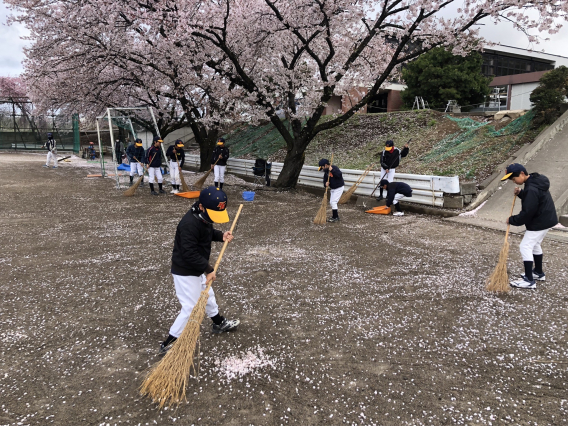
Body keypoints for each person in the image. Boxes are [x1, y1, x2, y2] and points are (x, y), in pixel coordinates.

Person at [159, 186, 240, 355]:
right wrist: (208, 269)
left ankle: (218, 323)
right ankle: (169, 342)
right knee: (190, 307)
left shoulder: (203, 217)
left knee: (207, 294)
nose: (214, 218)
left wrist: (220, 236)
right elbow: (189, 253)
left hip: (197, 267)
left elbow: (207, 232)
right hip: (185, 270)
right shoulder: (189, 223)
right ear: (202, 206)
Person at [502, 164, 558, 289]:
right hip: (546, 220)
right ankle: (538, 272)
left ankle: (529, 280)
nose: (513, 181)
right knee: (535, 244)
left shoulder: (531, 188)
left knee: (525, 246)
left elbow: (528, 212)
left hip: (540, 222)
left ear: (522, 173)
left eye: (513, 178)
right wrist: (521, 193)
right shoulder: (535, 181)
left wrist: (512, 219)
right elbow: (533, 199)